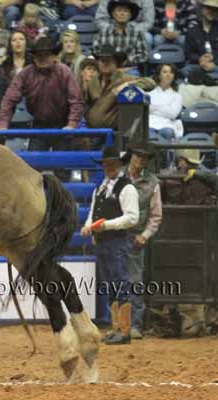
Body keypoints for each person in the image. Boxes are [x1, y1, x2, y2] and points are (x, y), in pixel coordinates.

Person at [81, 145, 139, 345]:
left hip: (116, 241)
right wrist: (88, 226)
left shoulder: (127, 187)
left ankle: (124, 330)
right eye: (106, 164)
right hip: (104, 242)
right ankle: (117, 328)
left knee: (120, 283)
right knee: (112, 284)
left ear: (119, 164)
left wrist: (105, 225)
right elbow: (92, 213)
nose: (109, 167)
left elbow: (132, 218)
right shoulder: (101, 187)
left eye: (112, 164)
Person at [0, 36, 85, 138]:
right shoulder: (26, 74)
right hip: (38, 125)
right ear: (34, 57)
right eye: (39, 55)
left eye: (46, 55)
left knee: (62, 152)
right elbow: (9, 99)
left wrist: (71, 125)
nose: (42, 58)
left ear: (54, 56)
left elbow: (76, 101)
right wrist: (2, 126)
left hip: (63, 126)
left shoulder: (64, 72)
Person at [122, 143, 162, 340]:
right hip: (116, 235)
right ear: (132, 156)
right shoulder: (119, 177)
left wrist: (144, 235)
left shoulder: (152, 182)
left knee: (134, 281)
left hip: (134, 236)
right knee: (116, 280)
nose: (140, 160)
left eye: (144, 158)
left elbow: (156, 216)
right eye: (138, 156)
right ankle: (120, 325)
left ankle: (135, 325)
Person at [85, 44, 154, 130]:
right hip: (91, 132)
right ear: (98, 63)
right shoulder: (93, 81)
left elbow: (150, 83)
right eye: (102, 60)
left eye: (109, 60)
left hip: (114, 133)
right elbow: (86, 103)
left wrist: (126, 85)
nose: (105, 63)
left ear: (115, 63)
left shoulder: (123, 78)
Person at [91, 0, 149, 73]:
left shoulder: (137, 33)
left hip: (129, 69)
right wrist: (109, 60)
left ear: (130, 15)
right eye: (119, 11)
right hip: (106, 68)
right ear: (113, 14)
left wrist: (128, 60)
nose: (122, 13)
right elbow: (95, 50)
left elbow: (144, 54)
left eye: (126, 11)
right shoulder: (103, 33)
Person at [148, 64, 183, 167]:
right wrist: (165, 107)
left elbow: (173, 114)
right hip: (151, 124)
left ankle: (167, 166)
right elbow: (148, 110)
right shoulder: (149, 94)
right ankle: (151, 167)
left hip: (168, 125)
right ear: (159, 75)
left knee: (167, 133)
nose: (168, 74)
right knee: (149, 134)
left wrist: (156, 107)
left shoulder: (177, 96)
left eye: (171, 72)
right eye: (165, 72)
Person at [183, 0, 218, 80]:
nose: (212, 11)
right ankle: (208, 78)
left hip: (215, 66)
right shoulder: (192, 31)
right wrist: (200, 59)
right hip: (198, 65)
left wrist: (213, 59)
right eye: (208, 8)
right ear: (202, 8)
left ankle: (202, 78)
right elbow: (188, 53)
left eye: (215, 9)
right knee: (186, 69)